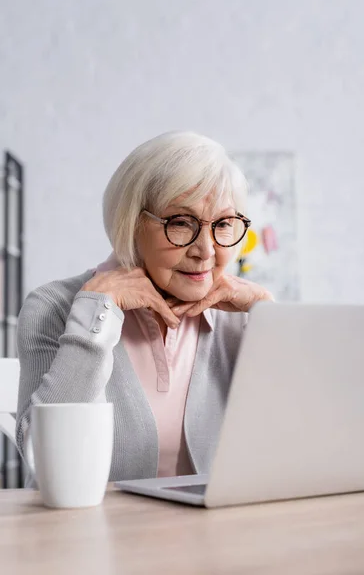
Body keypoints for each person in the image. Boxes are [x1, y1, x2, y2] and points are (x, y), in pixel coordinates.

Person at [16, 131, 273, 482]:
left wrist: (271, 318)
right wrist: (95, 315)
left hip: (215, 533)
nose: (207, 251)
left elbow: (305, 444)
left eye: (224, 224)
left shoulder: (243, 317)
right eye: (181, 223)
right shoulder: (53, 307)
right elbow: (39, 456)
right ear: (132, 223)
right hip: (91, 533)